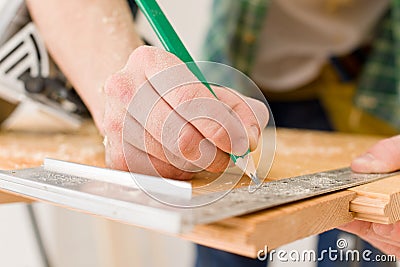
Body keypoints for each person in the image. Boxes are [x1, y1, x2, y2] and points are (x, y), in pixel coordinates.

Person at [26, 0, 400, 266]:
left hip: (364, 87)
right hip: (236, 81)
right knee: (224, 238)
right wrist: (121, 89)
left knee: (360, 249)